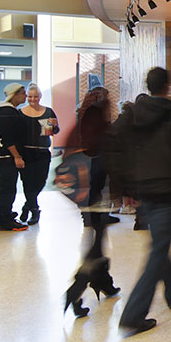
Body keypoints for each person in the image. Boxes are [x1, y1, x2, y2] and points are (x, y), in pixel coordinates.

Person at [105, 68, 171, 336]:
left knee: (160, 243)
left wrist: (124, 183)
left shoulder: (132, 114)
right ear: (168, 86)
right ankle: (133, 315)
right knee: (158, 249)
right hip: (166, 189)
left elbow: (114, 147)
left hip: (144, 189)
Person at [61, 86, 117, 317]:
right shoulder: (98, 127)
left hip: (85, 195)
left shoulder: (80, 122)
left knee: (99, 241)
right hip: (96, 194)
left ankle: (103, 282)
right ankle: (76, 289)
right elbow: (104, 160)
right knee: (95, 246)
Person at [17, 83, 58, 225]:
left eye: (35, 96)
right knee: (28, 183)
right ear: (26, 97)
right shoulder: (20, 112)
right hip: (26, 152)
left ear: (40, 97)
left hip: (42, 152)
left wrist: (54, 126)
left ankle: (27, 205)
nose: (33, 99)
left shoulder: (48, 111)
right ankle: (35, 210)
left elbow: (55, 131)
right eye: (30, 96)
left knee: (41, 181)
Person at [0, 83, 29, 231]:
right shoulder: (7, 112)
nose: (25, 96)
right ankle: (6, 220)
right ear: (15, 94)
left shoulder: (1, 111)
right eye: (23, 93)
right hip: (9, 156)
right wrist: (17, 156)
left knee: (1, 187)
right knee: (8, 188)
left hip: (3, 157)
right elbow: (7, 138)